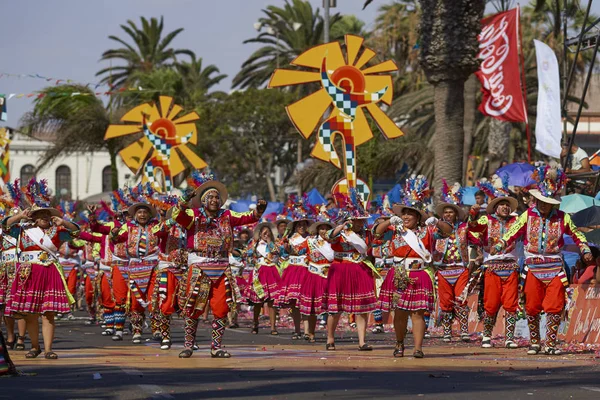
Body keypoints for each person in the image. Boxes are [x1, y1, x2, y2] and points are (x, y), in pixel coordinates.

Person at [492, 162, 593, 355]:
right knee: (532, 306)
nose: (545, 206)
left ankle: (551, 343)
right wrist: (501, 244)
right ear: (536, 201)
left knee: (555, 306)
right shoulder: (527, 216)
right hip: (532, 266)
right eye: (542, 202)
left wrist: (584, 248)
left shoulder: (563, 218)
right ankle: (535, 342)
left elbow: (577, 234)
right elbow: (512, 232)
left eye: (548, 203)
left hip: (555, 266)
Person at [173, 172, 265, 358]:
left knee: (221, 308)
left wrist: (259, 211)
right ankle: (189, 345)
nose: (214, 200)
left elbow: (247, 217)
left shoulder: (227, 215)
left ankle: (216, 347)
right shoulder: (194, 215)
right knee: (193, 308)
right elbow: (177, 215)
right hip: (199, 267)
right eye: (210, 197)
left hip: (221, 267)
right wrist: (184, 200)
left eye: (217, 197)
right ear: (204, 200)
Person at [376, 175, 449, 358]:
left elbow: (448, 231)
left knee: (418, 313)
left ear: (418, 217)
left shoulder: (428, 230)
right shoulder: (396, 229)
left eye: (411, 214)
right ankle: (399, 343)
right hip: (399, 272)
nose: (406, 216)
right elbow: (376, 232)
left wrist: (436, 221)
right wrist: (389, 221)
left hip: (419, 273)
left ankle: (418, 348)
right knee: (399, 313)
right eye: (404, 213)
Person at [4, 202, 80, 360]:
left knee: (48, 313)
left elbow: (76, 231)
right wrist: (19, 216)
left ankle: (48, 349)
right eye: (40, 214)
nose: (45, 217)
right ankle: (34, 346)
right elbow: (5, 225)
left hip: (49, 272)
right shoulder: (23, 230)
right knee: (30, 314)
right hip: (28, 273)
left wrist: (64, 222)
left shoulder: (58, 231)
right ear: (34, 217)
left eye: (47, 214)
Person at [322, 191, 378, 352]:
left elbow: (372, 245)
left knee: (362, 307)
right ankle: (330, 338)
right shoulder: (341, 232)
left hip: (359, 269)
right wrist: (342, 226)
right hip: (340, 269)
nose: (360, 223)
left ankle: (362, 341)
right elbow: (329, 236)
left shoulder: (367, 234)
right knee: (336, 308)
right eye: (357, 220)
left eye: (362, 220)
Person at [468, 179, 520, 349]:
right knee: (491, 303)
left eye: (507, 205)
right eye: (501, 204)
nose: (505, 207)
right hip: (492, 267)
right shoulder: (486, 221)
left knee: (511, 304)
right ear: (495, 207)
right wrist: (473, 215)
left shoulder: (516, 222)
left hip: (511, 267)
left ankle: (509, 338)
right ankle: (487, 335)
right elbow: (473, 228)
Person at [112, 202, 161, 345]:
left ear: (150, 214)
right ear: (134, 215)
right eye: (139, 212)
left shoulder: (155, 226)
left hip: (153, 265)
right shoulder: (128, 228)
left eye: (145, 212)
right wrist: (114, 233)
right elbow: (117, 238)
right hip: (134, 266)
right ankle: (137, 330)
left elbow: (165, 230)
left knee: (154, 297)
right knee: (135, 300)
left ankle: (156, 329)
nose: (142, 215)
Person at [434, 181, 471, 343]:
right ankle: (447, 331)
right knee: (445, 302)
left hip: (461, 269)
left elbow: (476, 238)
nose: (448, 214)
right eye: (446, 212)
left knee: (461, 300)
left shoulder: (464, 228)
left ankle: (464, 331)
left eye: (451, 212)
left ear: (456, 214)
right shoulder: (435, 231)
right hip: (443, 270)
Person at [277, 209, 313, 340]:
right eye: (299, 225)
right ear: (295, 227)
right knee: (294, 303)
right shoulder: (290, 240)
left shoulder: (311, 239)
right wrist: (285, 249)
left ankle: (307, 330)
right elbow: (282, 254)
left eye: (304, 224)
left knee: (305, 301)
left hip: (306, 271)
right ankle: (297, 329)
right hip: (293, 272)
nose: (302, 227)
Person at [298, 217, 334, 342]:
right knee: (312, 307)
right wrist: (285, 247)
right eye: (321, 228)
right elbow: (297, 250)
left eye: (326, 229)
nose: (324, 231)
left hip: (329, 277)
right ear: (317, 230)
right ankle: (311, 332)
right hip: (313, 276)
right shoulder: (310, 242)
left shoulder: (335, 242)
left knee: (331, 309)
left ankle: (330, 336)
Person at [243, 222, 282, 336]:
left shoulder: (274, 243)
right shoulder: (254, 244)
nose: (265, 234)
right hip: (258, 272)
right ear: (259, 234)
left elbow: (277, 252)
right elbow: (246, 254)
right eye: (263, 232)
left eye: (267, 232)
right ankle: (255, 323)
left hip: (271, 271)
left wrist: (269, 240)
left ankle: (273, 326)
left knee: (271, 301)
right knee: (257, 301)